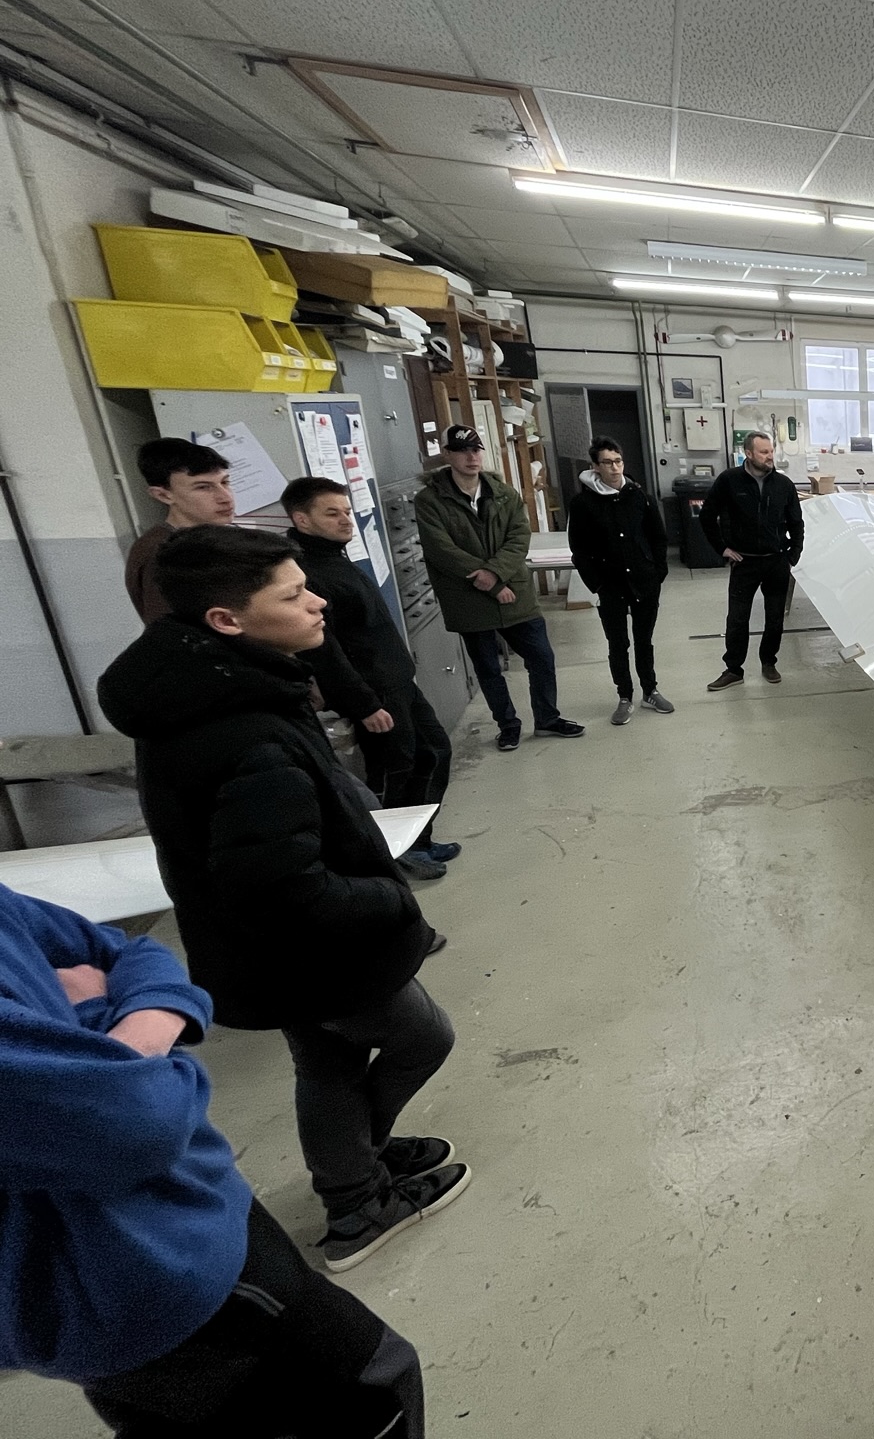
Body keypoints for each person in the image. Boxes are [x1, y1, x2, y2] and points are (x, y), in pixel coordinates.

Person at [96, 526, 469, 1273]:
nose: (317, 602)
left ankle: (352, 1189)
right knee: (422, 1038)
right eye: (293, 595)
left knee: (328, 1062)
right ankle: (359, 1179)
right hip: (314, 949)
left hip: (261, 952)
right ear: (226, 620)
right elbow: (283, 886)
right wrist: (390, 900)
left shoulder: (205, 685)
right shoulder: (246, 732)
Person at [0, 882, 426, 1437]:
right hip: (152, 1270)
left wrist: (112, 1052)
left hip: (176, 1228)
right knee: (376, 1387)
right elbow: (133, 1121)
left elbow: (128, 950)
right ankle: (357, 1200)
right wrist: (111, 1018)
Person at [284, 477, 460, 882]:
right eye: (332, 513)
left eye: (347, 511)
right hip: (374, 694)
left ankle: (417, 840)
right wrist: (364, 704)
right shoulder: (308, 573)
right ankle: (388, 855)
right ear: (302, 520)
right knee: (393, 773)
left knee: (433, 753)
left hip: (398, 682)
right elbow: (324, 650)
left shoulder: (335, 557)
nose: (346, 520)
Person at [412, 423, 584, 751]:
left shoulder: (504, 494)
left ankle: (547, 719)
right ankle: (508, 725)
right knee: (488, 667)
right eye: (462, 451)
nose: (471, 457)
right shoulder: (429, 501)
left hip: (514, 592)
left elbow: (519, 538)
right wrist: (490, 583)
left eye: (476, 450)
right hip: (468, 598)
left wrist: (494, 573)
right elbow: (440, 549)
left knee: (542, 657)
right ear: (446, 455)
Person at [566, 437, 673, 725]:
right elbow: (579, 549)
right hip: (610, 585)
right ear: (595, 466)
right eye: (607, 463)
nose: (615, 468)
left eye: (618, 461)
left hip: (644, 581)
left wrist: (658, 572)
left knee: (644, 641)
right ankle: (624, 696)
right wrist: (597, 584)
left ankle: (650, 691)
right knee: (618, 644)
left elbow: (658, 538)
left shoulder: (640, 497)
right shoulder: (583, 503)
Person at [700, 431, 804, 692]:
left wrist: (793, 555)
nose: (770, 456)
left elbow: (796, 522)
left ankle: (769, 662)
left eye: (771, 451)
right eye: (763, 452)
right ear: (748, 454)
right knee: (737, 619)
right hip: (744, 563)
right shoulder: (729, 480)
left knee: (775, 619)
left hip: (776, 562)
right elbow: (707, 515)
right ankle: (734, 670)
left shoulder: (783, 484)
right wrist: (722, 548)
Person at [126, 437, 236, 623]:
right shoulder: (163, 553)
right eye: (203, 487)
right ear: (163, 495)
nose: (225, 497)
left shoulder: (211, 539)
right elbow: (172, 631)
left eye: (225, 482)